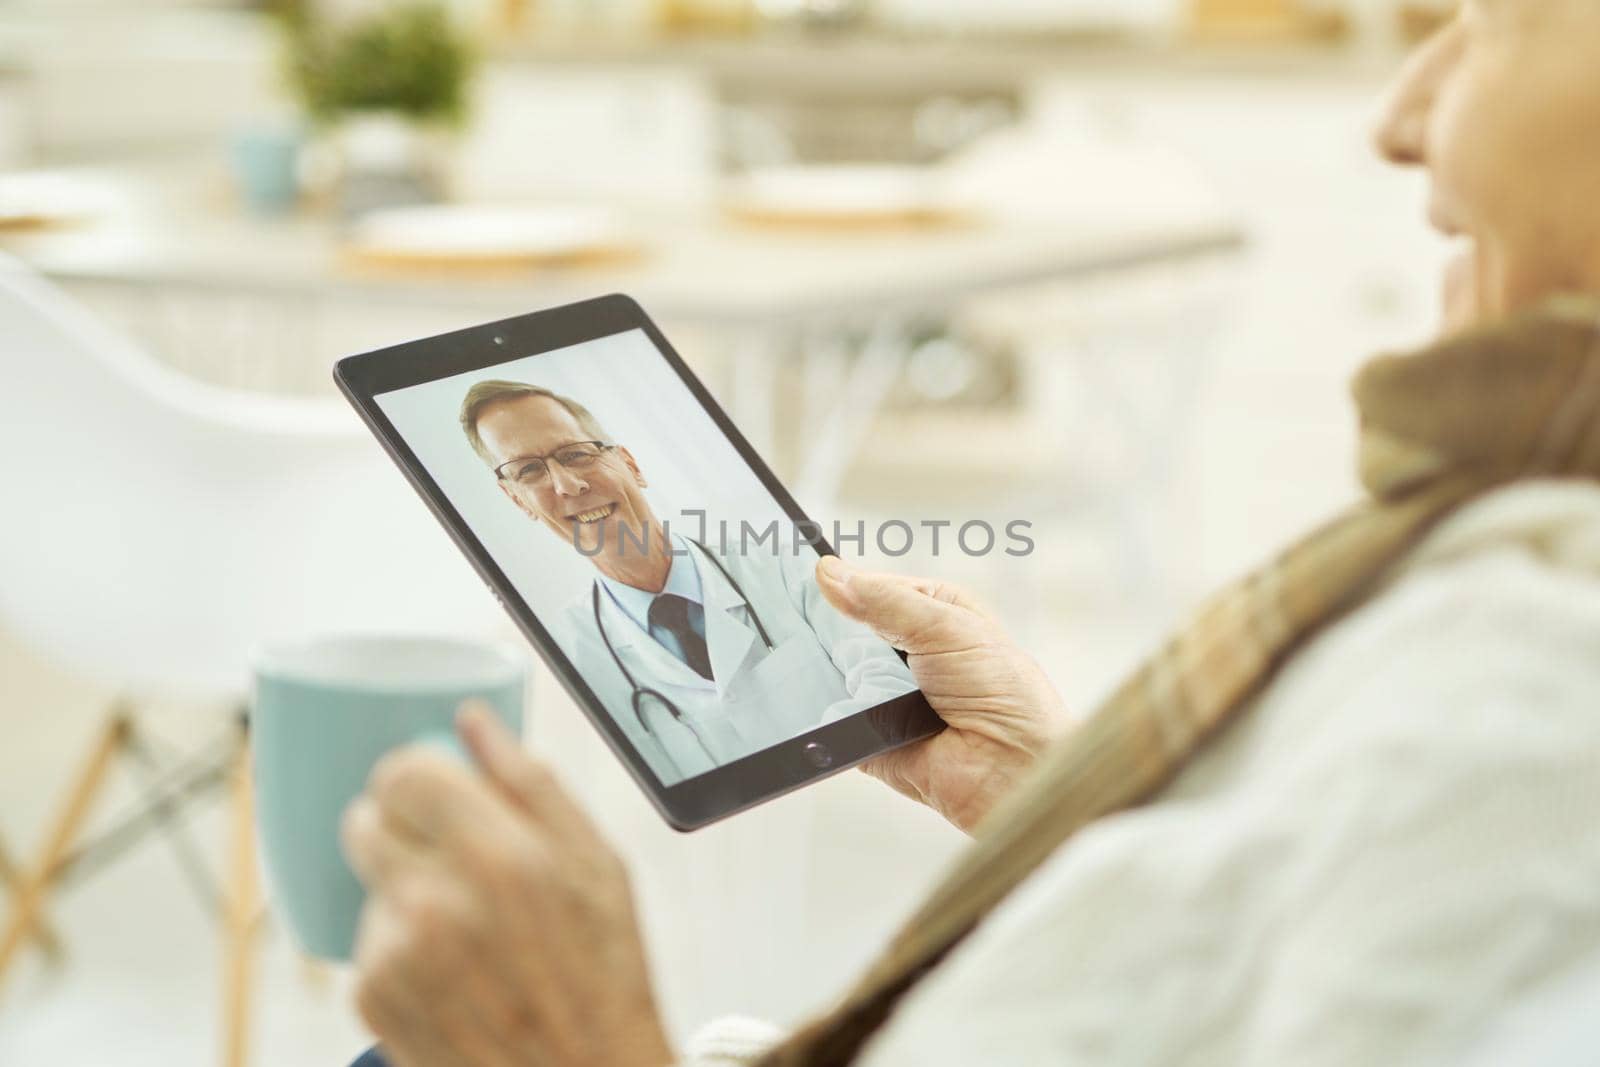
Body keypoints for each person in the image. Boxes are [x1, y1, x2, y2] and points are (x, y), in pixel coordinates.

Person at [339, 4, 1600, 1065]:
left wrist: (588, 1042)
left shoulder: (1531, 672)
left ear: (620, 459)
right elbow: (1251, 955)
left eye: (1486, 21)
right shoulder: (1497, 565)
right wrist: (1045, 803)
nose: (1398, 114)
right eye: (529, 477)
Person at [457, 379, 917, 784]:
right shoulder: (566, 656)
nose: (567, 485)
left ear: (630, 464)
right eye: (529, 471)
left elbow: (894, 689)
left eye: (575, 454)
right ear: (518, 501)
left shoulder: (782, 555)